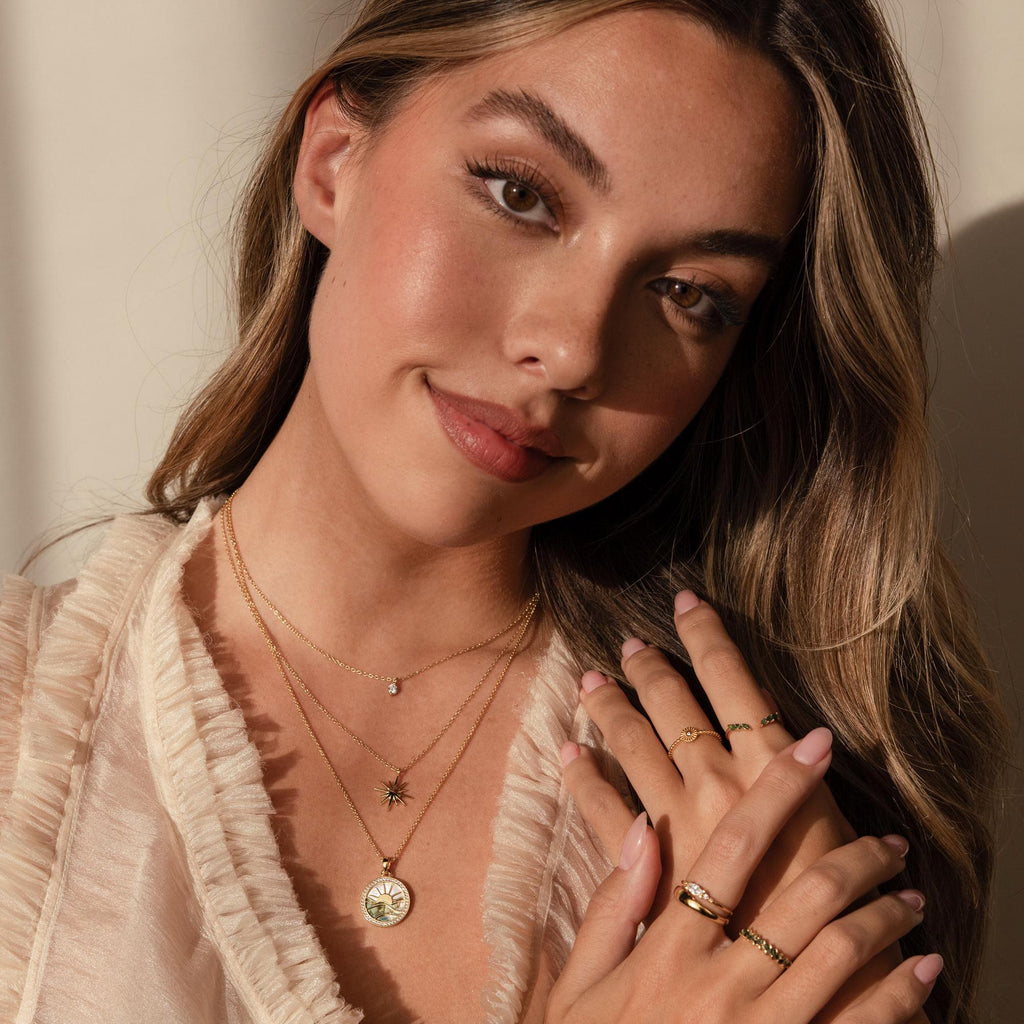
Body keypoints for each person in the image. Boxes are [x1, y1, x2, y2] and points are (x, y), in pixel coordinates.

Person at [0, 0, 1008, 1021]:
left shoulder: (763, 830)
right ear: (333, 161)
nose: (571, 349)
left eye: (688, 292)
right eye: (520, 194)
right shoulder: (23, 725)